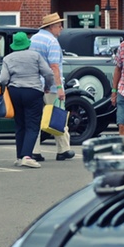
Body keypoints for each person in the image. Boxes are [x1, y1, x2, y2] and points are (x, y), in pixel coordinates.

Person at [0, 32, 53, 168]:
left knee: (20, 124)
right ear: (27, 44)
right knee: (32, 125)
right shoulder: (35, 56)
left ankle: (19, 156)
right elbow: (48, 73)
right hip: (33, 91)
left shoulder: (8, 58)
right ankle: (27, 156)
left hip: (15, 92)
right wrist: (47, 86)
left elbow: (3, 79)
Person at [29, 12, 75, 161]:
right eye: (59, 25)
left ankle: (34, 151)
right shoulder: (52, 42)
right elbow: (54, 67)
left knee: (35, 119)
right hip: (51, 86)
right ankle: (63, 149)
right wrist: (60, 87)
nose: (61, 28)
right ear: (51, 27)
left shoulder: (33, 39)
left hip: (35, 84)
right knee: (58, 116)